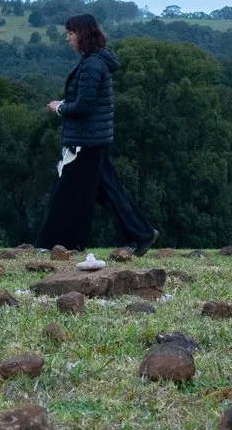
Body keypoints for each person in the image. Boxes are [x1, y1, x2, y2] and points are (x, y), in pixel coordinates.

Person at [41, 14, 155, 253]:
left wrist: (59, 107)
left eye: (70, 33)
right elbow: (87, 101)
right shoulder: (95, 62)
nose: (67, 38)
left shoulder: (92, 65)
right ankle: (142, 233)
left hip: (85, 141)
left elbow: (84, 106)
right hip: (94, 138)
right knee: (110, 192)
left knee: (66, 193)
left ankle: (56, 245)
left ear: (82, 34)